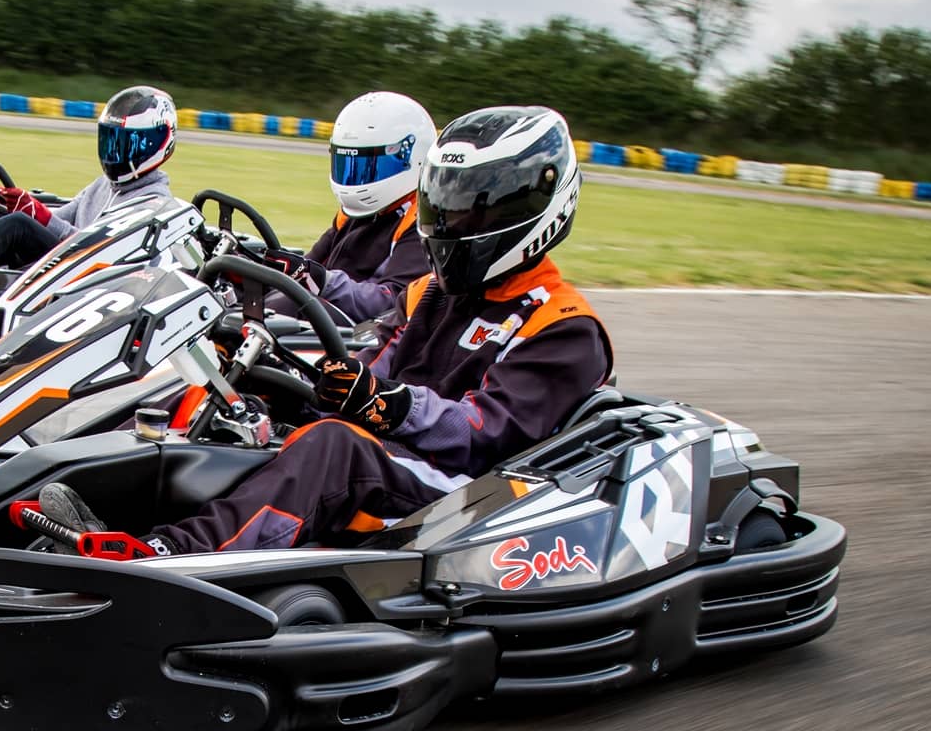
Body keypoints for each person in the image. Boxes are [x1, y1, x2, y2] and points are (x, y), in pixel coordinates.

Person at [38, 105, 615, 557]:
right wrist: (299, 381)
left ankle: (165, 555)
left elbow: (488, 433)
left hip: (471, 495)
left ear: (528, 207)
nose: (452, 224)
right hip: (395, 454)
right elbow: (377, 370)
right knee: (232, 395)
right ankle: (67, 487)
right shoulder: (433, 292)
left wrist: (390, 407)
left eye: (471, 211)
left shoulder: (562, 326)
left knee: (333, 445)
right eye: (447, 207)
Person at [0, 85, 177, 270]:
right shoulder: (105, 185)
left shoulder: (152, 202)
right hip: (65, 264)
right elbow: (58, 218)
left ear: (157, 142)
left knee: (17, 226)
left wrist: (34, 213)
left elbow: (94, 248)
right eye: (110, 141)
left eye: (125, 144)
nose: (115, 153)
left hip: (93, 276)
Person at [265, 91, 436, 324]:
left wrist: (324, 281)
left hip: (362, 335)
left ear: (408, 156)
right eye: (348, 165)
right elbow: (311, 265)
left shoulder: (423, 220)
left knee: (286, 306)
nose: (356, 180)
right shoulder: (356, 211)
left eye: (368, 166)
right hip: (327, 316)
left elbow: (395, 300)